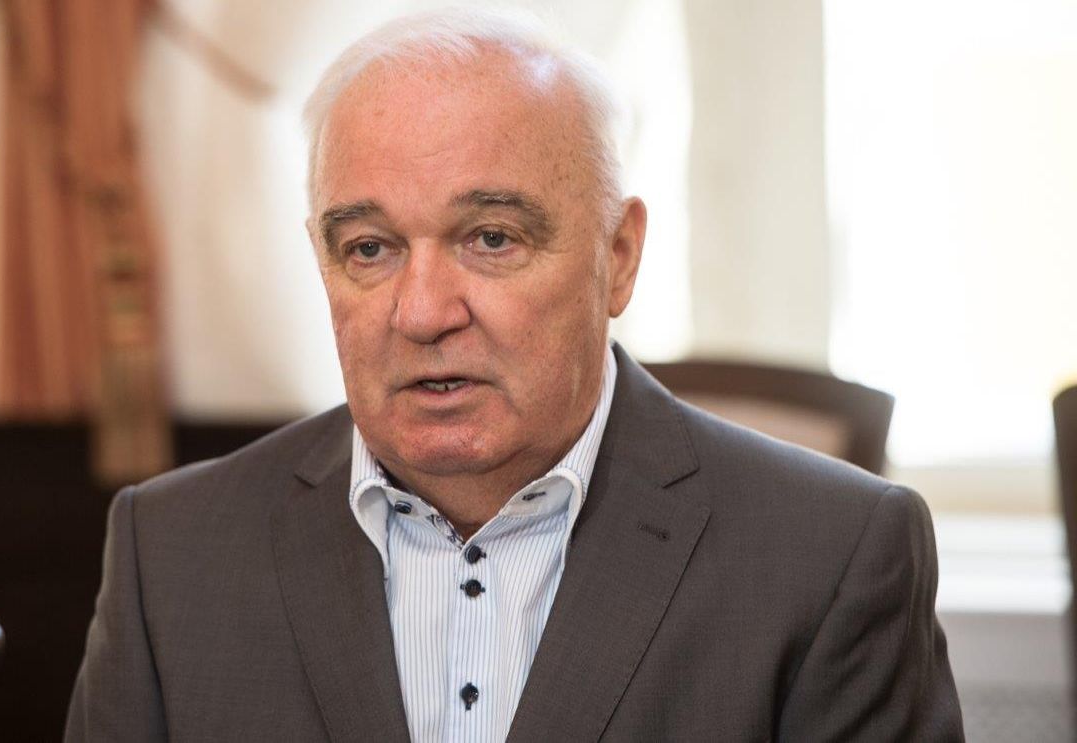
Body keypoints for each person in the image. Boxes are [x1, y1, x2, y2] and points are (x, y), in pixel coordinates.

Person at [65, 8, 963, 742]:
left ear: (619, 255)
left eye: (490, 238)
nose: (422, 312)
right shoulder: (171, 557)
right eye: (369, 248)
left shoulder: (829, 556)